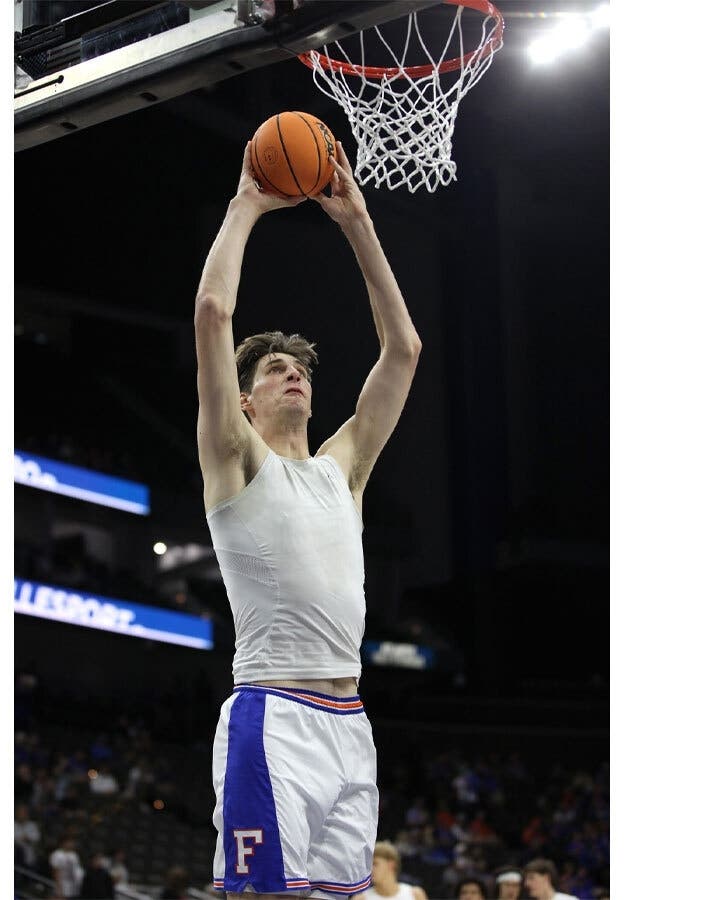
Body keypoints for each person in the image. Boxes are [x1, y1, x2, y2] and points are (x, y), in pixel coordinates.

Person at [196, 139, 421, 900]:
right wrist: (247, 204)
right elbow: (212, 310)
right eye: (273, 370)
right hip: (275, 719)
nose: (293, 373)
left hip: (351, 725)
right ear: (247, 401)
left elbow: (403, 351)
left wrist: (357, 221)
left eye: (300, 369)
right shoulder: (236, 461)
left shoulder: (342, 469)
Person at [360, 840, 428, 900]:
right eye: (369, 865)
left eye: (375, 864)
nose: (370, 869)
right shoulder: (360, 899)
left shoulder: (415, 895)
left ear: (391, 865)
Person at [49, 835, 85, 899]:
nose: (72, 844)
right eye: (69, 842)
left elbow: (77, 871)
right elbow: (55, 872)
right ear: (63, 843)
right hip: (62, 885)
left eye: (72, 842)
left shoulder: (74, 855)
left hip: (74, 887)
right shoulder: (57, 854)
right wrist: (59, 889)